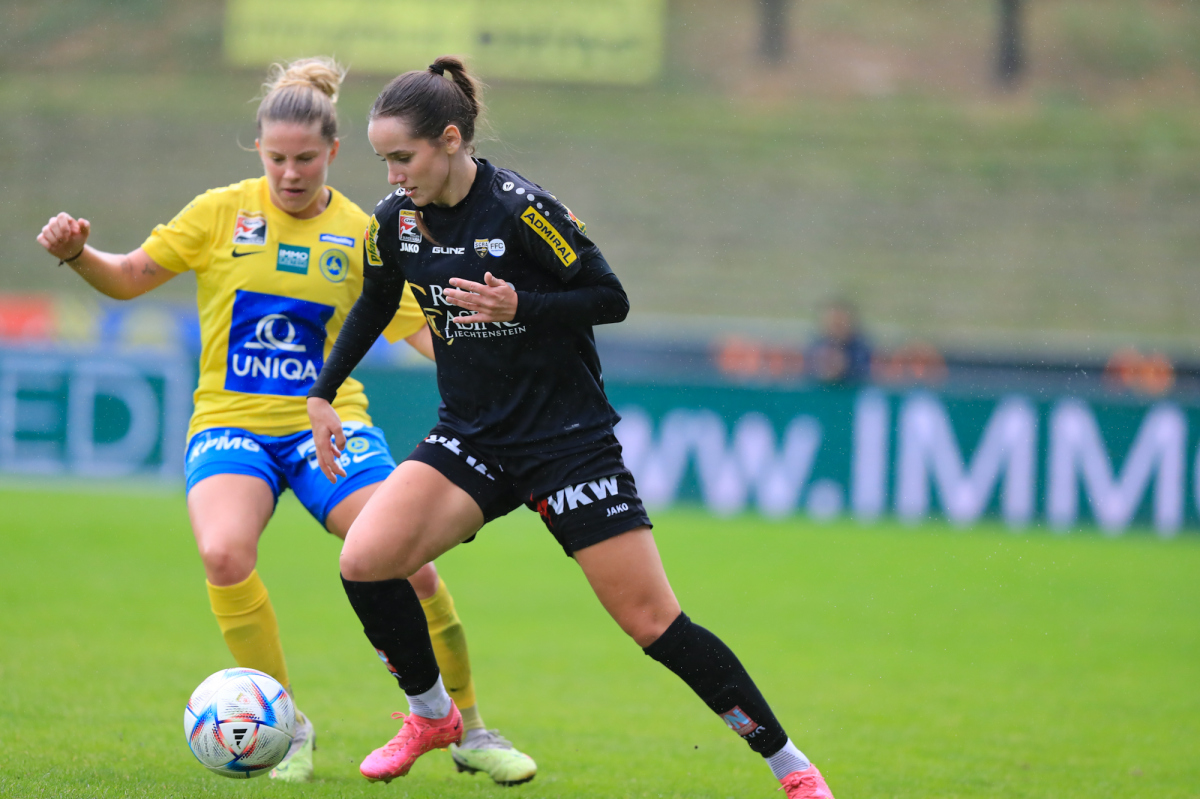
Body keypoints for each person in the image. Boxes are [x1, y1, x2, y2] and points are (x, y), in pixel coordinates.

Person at [306, 56, 836, 798]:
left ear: (450, 140)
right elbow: (374, 299)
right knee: (365, 559)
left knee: (654, 623)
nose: (393, 176)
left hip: (567, 444)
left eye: (404, 157)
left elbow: (609, 297)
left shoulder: (522, 209)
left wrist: (519, 305)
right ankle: (432, 716)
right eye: (383, 161)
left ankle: (792, 767)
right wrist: (324, 392)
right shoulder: (398, 221)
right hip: (473, 438)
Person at [34, 56, 536, 786]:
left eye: (305, 159)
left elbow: (425, 334)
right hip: (230, 422)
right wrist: (79, 254)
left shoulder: (365, 231)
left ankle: (469, 727)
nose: (290, 173)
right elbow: (129, 276)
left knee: (410, 562)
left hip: (327, 426)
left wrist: (507, 366)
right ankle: (288, 726)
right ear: (259, 151)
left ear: (334, 151)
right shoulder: (218, 213)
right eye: (276, 159)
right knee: (223, 553)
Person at [807, 299, 871, 384]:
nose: (836, 327)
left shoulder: (863, 350)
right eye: (833, 322)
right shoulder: (815, 348)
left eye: (840, 322)